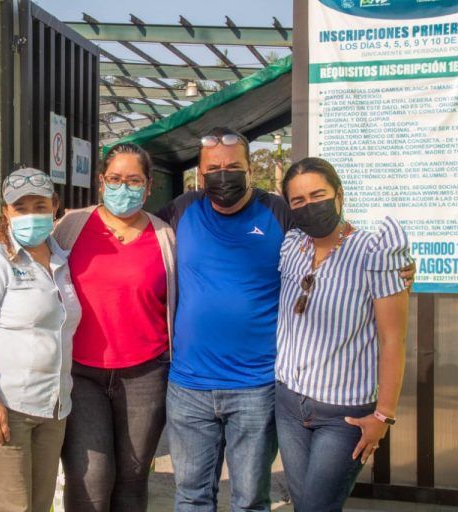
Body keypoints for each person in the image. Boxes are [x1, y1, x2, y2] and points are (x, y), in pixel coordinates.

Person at [157, 128, 414, 512]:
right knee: (191, 497)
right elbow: (135, 237)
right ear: (200, 173)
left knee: (250, 499)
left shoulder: (278, 213)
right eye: (213, 169)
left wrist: (397, 268)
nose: (222, 176)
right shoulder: (181, 210)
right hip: (189, 386)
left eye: (233, 167)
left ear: (249, 169)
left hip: (256, 388)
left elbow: (332, 241)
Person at [275, 157, 410, 511]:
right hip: (288, 404)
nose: (309, 206)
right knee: (304, 505)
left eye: (318, 195)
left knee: (317, 506)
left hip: (344, 415)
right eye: (298, 200)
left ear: (339, 195)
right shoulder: (291, 246)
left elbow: (393, 339)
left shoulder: (373, 252)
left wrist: (383, 416)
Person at [53, 143, 176, 512]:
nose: (124, 188)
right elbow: (34, 261)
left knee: (132, 478)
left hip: (145, 375)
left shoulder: (165, 237)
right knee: (90, 477)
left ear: (149, 186)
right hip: (81, 374)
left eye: (134, 180)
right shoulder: (71, 226)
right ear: (100, 181)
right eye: (115, 179)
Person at [0, 167, 81, 512]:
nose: (30, 215)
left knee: (38, 506)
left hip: (51, 405)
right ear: (6, 211)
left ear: (55, 206)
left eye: (39, 206)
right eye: (20, 208)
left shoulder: (63, 259)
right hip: (1, 403)